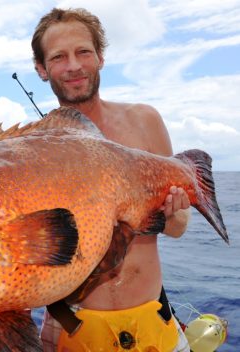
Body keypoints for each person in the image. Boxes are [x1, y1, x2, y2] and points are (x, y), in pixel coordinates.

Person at [31, 8, 192, 352]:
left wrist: (173, 212)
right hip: (71, 327)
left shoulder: (144, 121)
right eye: (59, 57)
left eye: (83, 52)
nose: (73, 65)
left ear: (100, 58)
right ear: (42, 69)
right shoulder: (31, 149)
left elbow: (178, 227)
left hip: (153, 318)